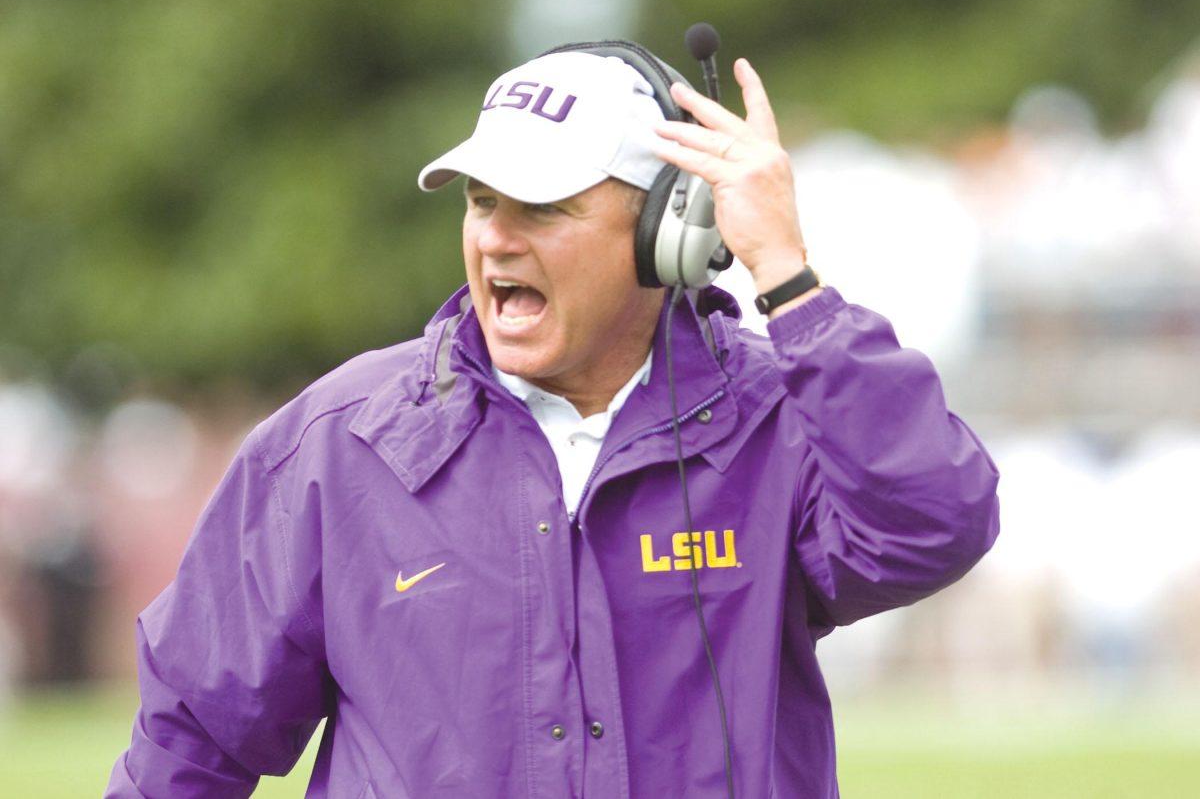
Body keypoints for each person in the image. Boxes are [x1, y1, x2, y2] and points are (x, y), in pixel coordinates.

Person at [105, 41, 1001, 798]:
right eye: (482, 200)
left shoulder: (774, 421)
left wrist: (790, 283)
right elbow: (189, 743)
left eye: (542, 207)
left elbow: (931, 525)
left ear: (668, 231)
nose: (495, 237)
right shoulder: (337, 443)